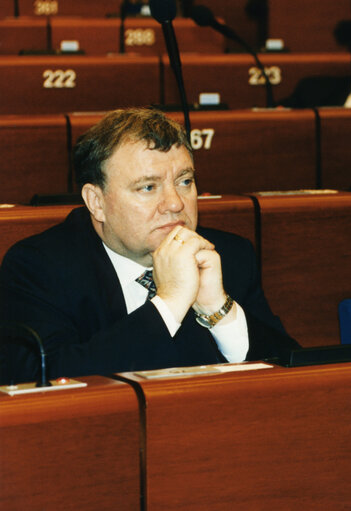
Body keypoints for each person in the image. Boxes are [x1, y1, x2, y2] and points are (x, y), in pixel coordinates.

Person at [0, 108, 299, 384]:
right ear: (97, 202)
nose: (175, 203)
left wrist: (218, 310)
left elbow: (293, 373)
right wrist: (168, 304)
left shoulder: (227, 255)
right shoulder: (38, 267)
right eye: (148, 187)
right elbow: (45, 383)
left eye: (184, 181)